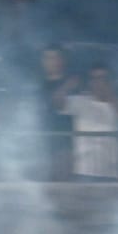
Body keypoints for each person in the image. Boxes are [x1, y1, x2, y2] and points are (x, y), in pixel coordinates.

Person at [61, 65, 118, 180]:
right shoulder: (80, 101)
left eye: (104, 78)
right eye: (95, 78)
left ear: (111, 81)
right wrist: (66, 87)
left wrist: (110, 95)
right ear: (90, 82)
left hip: (112, 171)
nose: (99, 82)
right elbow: (58, 103)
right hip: (84, 170)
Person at [36, 45, 80, 180]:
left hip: (66, 143)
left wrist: (66, 87)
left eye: (53, 57)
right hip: (43, 142)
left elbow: (61, 105)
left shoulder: (74, 84)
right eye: (47, 58)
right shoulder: (38, 85)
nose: (49, 62)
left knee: (65, 182)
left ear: (62, 60)